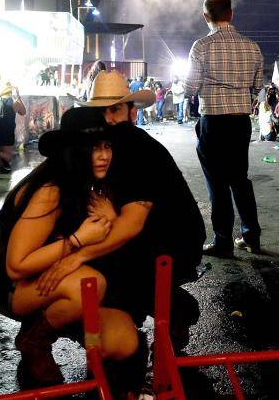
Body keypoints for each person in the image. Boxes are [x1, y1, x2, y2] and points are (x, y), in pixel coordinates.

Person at [40, 70, 205, 355]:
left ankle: (172, 311)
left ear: (132, 112)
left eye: (115, 110)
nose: (109, 119)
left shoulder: (136, 147)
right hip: (146, 234)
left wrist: (77, 255)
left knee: (97, 269)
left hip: (173, 243)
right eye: (102, 112)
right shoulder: (109, 145)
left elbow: (131, 225)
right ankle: (133, 317)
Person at [0, 106, 140, 388]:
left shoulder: (93, 184)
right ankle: (34, 342)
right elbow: (16, 266)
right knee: (90, 284)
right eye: (94, 147)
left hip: (60, 281)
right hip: (11, 287)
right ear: (75, 150)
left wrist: (112, 220)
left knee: (123, 343)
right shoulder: (50, 191)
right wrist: (78, 240)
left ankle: (57, 318)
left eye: (107, 146)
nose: (104, 155)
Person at [186, 0, 264, 258]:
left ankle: (223, 242)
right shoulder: (252, 46)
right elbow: (257, 85)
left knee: (217, 184)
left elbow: (191, 87)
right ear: (231, 14)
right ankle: (251, 236)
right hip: (240, 121)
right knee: (240, 179)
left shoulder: (201, 46)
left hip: (213, 121)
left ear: (205, 17)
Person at [0, 82, 26, 174]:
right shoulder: (14, 102)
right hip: (7, 132)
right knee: (8, 157)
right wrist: (18, 97)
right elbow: (23, 112)